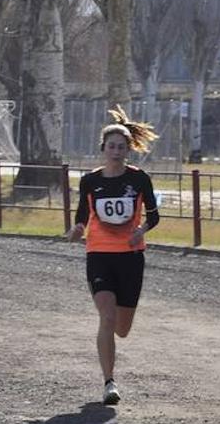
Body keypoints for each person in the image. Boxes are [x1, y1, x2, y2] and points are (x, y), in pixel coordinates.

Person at [66, 106, 160, 406]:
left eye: (121, 147)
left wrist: (141, 230)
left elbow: (155, 216)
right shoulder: (91, 181)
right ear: (103, 149)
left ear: (128, 149)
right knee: (107, 317)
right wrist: (77, 228)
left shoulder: (139, 179)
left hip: (131, 258)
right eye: (111, 146)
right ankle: (109, 383)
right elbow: (82, 215)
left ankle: (112, 363)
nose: (116, 151)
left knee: (123, 328)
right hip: (99, 254)